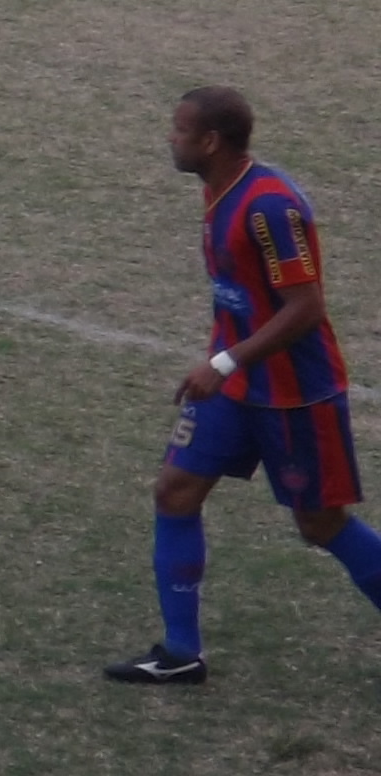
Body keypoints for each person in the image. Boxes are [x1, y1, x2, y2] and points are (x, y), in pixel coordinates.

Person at [109, 89, 381, 686]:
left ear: (211, 142)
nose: (170, 138)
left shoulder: (270, 209)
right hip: (235, 387)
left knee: (321, 525)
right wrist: (226, 362)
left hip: (295, 395)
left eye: (180, 129)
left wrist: (225, 361)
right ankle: (181, 653)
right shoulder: (219, 189)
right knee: (175, 492)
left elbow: (306, 308)